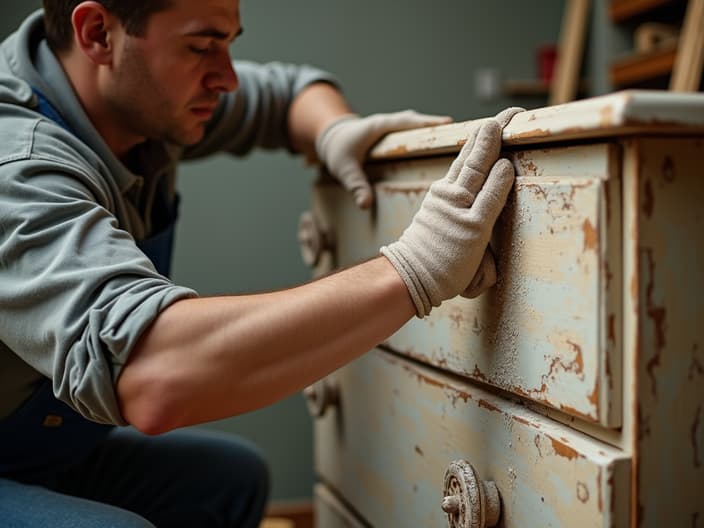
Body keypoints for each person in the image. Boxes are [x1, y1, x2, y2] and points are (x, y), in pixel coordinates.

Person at [0, 0, 522, 526]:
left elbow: (286, 92)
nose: (226, 78)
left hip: (42, 448)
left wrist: (331, 129)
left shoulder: (134, 97)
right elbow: (153, 373)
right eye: (203, 46)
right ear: (97, 34)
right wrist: (416, 269)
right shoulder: (19, 167)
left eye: (230, 44)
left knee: (229, 483)